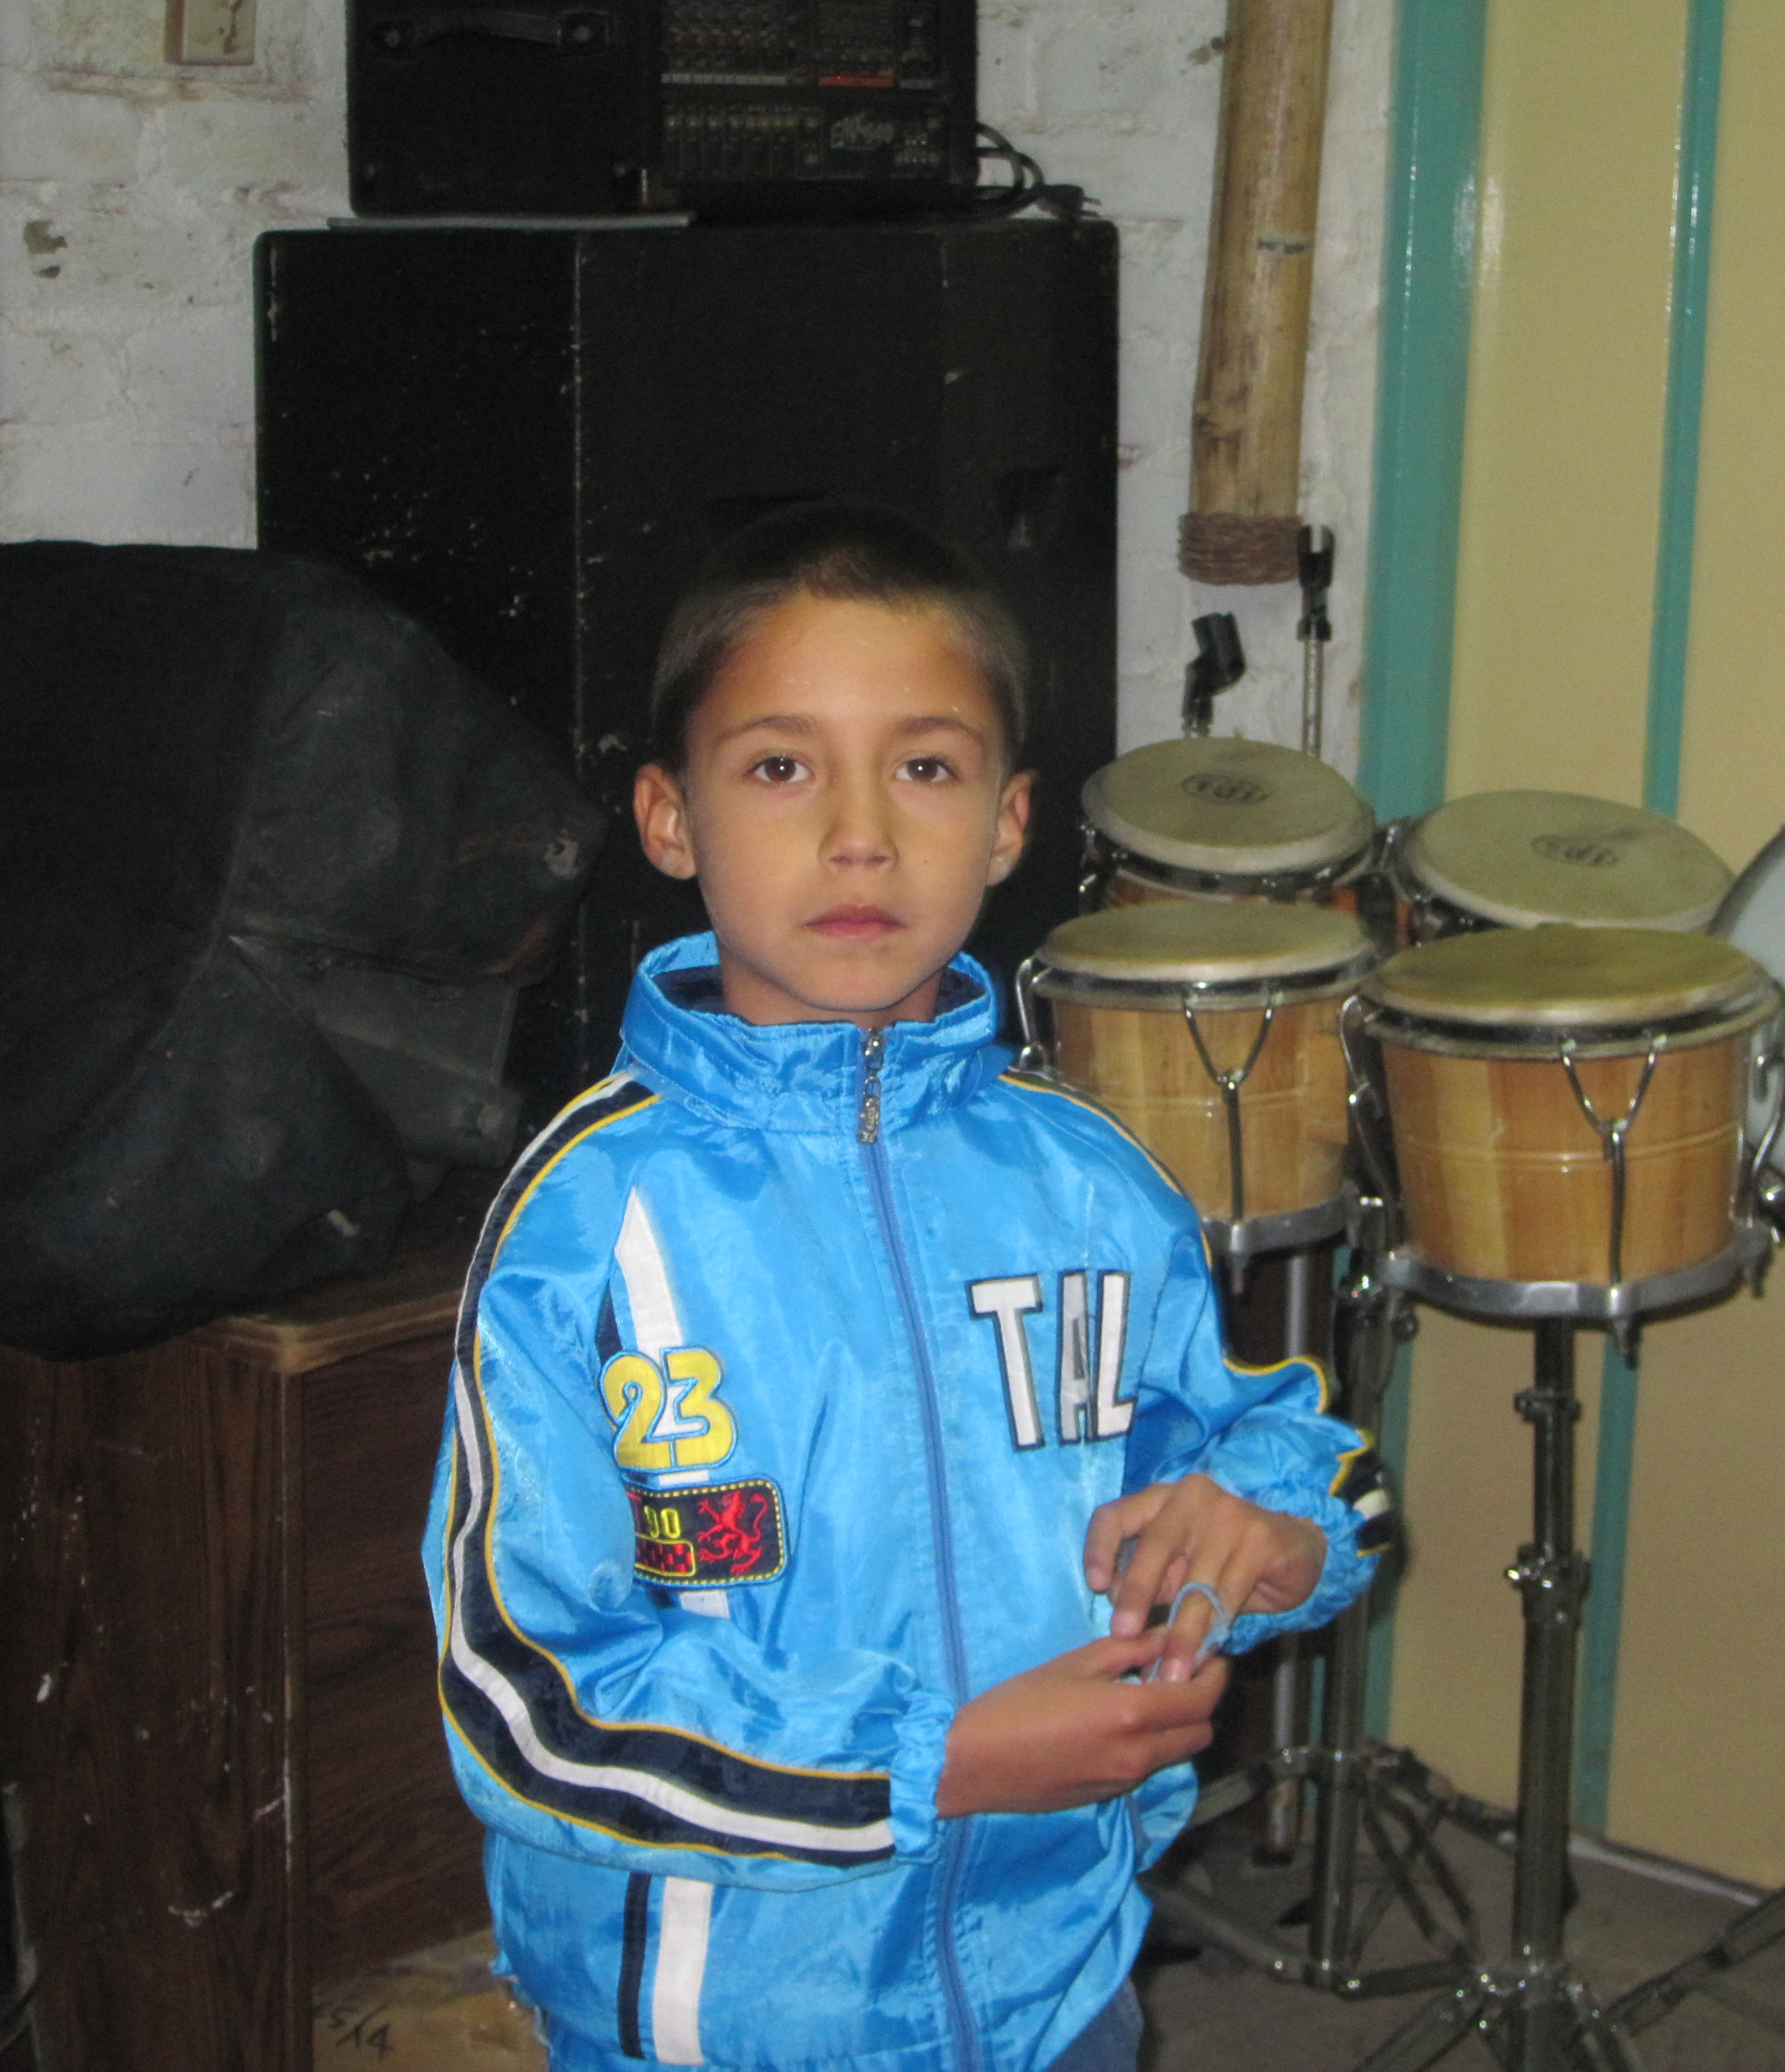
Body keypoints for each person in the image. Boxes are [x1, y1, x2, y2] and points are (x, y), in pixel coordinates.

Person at [424, 503, 1388, 2072]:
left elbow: (1277, 1450)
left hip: (1058, 1989)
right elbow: (522, 1703)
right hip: (721, 2029)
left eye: (926, 768)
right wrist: (926, 1767)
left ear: (1008, 826)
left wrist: (1269, 1526)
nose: (860, 834)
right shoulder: (591, 1219)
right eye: (781, 767)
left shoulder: (1087, 1183)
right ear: (669, 820)